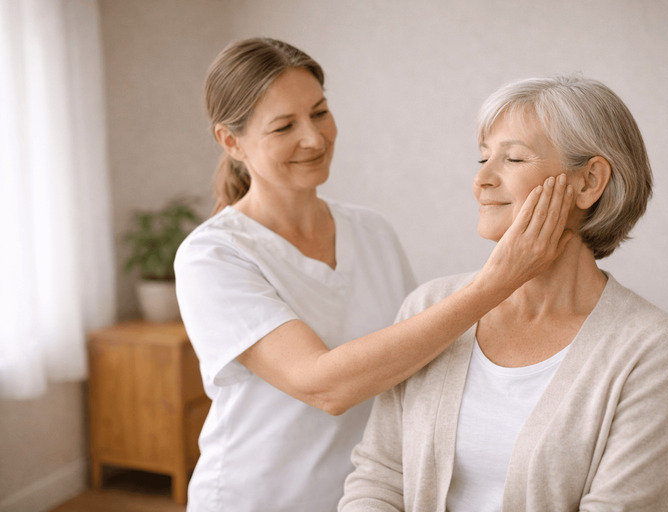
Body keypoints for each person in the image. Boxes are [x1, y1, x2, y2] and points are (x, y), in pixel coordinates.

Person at [173, 38, 573, 512]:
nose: (314, 139)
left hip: (368, 495)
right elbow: (324, 385)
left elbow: (418, 358)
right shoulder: (212, 256)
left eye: (320, 113)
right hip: (258, 499)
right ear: (230, 141)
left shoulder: (371, 231)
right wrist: (498, 281)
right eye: (284, 126)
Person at [339, 75, 668, 512]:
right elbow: (379, 478)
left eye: (512, 158)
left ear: (589, 181)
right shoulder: (430, 305)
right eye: (483, 157)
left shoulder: (654, 349)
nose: (481, 179)